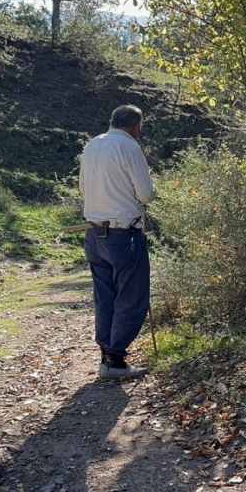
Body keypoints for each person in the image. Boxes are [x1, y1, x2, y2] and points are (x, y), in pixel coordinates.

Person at [79, 104, 156, 378]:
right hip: (125, 234)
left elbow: (83, 189)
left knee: (105, 296)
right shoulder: (129, 146)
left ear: (112, 121)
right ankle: (114, 359)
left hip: (94, 233)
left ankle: (107, 355)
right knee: (132, 296)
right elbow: (146, 194)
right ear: (136, 126)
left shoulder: (92, 145)